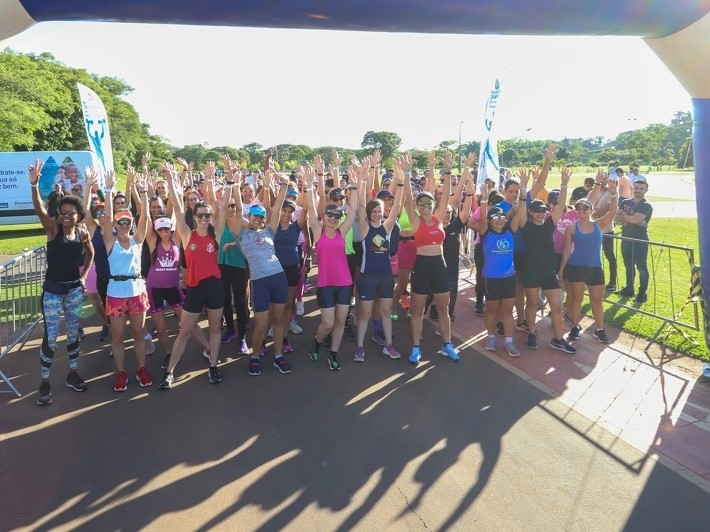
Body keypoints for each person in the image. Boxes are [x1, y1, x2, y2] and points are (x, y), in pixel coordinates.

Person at [29, 159, 94, 406]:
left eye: (71, 212)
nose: (66, 216)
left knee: (74, 334)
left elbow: (91, 254)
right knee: (52, 337)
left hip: (74, 291)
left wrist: (85, 276)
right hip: (53, 292)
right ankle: (45, 382)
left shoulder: (82, 231)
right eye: (63, 212)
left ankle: (72, 373)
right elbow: (39, 210)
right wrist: (34, 185)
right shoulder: (53, 229)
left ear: (78, 215)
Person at [158, 161, 228, 389]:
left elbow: (224, 206)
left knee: (216, 329)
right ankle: (169, 373)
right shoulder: (188, 236)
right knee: (184, 331)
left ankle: (214, 366)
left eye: (208, 215)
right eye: (200, 215)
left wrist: (227, 181)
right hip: (195, 289)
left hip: (215, 286)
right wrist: (170, 178)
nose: (204, 218)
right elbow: (178, 209)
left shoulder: (215, 234)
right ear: (195, 216)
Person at [229, 166, 293, 377]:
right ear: (250, 217)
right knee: (260, 324)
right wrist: (235, 185)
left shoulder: (269, 231)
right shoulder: (241, 234)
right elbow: (238, 209)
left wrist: (284, 184)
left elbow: (277, 207)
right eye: (254, 215)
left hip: (278, 277)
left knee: (279, 320)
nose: (257, 218)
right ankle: (255, 357)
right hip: (260, 281)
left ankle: (277, 356)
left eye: (260, 216)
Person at [403, 151, 459, 365]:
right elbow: (408, 198)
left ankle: (447, 345)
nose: (426, 206)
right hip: (422, 266)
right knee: (417, 310)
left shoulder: (438, 219)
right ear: (418, 208)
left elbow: (445, 196)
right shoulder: (416, 222)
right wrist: (407, 173)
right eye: (422, 204)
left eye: (429, 203)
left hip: (439, 266)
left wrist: (446, 170)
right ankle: (416, 347)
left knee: (443, 309)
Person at [305, 163, 359, 370]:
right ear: (324, 216)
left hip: (344, 283)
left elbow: (353, 209)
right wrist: (310, 186)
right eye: (330, 215)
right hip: (326, 284)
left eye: (337, 216)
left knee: (340, 321)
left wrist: (354, 185)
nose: (334, 219)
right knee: (327, 323)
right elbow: (311, 209)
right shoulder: (318, 232)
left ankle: (334, 354)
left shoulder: (341, 231)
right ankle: (318, 343)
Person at [103, 169, 153, 392]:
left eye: (127, 222)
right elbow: (106, 216)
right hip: (115, 293)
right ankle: (121, 372)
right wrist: (108, 189)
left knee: (139, 333)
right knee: (118, 336)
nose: (124, 225)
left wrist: (142, 191)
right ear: (115, 224)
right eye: (120, 222)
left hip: (136, 291)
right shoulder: (109, 241)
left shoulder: (137, 241)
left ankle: (141, 369)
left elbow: (145, 217)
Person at [518, 167, 576, 354]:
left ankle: (559, 339)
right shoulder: (525, 225)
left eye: (543, 211)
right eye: (537, 211)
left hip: (548, 272)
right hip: (530, 271)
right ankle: (532, 333)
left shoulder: (549, 224)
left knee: (557, 307)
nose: (541, 214)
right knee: (533, 304)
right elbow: (521, 208)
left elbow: (560, 206)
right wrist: (523, 186)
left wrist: (564, 183)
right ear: (530, 212)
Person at [145, 215, 211, 369]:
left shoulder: (177, 241)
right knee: (160, 329)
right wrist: (142, 194)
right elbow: (145, 219)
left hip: (173, 288)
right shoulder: (153, 242)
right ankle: (169, 353)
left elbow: (179, 215)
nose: (163, 231)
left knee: (190, 322)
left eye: (166, 228)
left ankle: (208, 348)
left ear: (171, 229)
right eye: (160, 229)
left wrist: (177, 194)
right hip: (154, 289)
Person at [353, 162, 403, 361]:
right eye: (373, 210)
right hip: (367, 277)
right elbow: (361, 204)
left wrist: (400, 183)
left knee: (386, 312)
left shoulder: (388, 227)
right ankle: (359, 347)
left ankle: (389, 345)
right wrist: (363, 181)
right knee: (364, 314)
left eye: (380, 210)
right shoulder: (365, 228)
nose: (377, 213)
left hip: (385, 277)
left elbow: (397, 205)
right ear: (369, 213)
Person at [559, 181, 618, 344]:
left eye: (585, 208)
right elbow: (566, 250)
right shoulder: (571, 228)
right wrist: (561, 269)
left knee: (597, 301)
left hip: (594, 268)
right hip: (576, 267)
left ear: (592, 210)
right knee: (576, 299)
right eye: (578, 208)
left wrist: (613, 193)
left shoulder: (598, 224)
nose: (581, 210)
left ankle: (599, 330)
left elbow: (613, 211)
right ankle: (575, 326)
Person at [477, 184, 524, 356]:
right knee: (491, 310)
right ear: (490, 220)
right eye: (495, 216)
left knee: (507, 311)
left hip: (509, 278)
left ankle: (509, 342)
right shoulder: (486, 233)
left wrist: (523, 197)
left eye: (501, 216)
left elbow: (518, 215)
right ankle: (491, 337)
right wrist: (483, 199)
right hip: (491, 278)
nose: (498, 219)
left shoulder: (510, 232)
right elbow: (482, 219)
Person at [615, 178, 653, 304]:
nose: (638, 190)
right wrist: (629, 218)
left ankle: (642, 294)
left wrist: (625, 216)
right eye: (636, 188)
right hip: (626, 239)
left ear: (646, 190)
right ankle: (629, 289)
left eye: (641, 189)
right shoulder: (625, 201)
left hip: (640, 241)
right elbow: (615, 218)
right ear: (632, 188)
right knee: (628, 266)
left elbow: (637, 220)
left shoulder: (646, 205)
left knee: (642, 267)